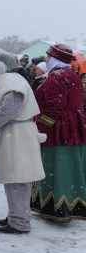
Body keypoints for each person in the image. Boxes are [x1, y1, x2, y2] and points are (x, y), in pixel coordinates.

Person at [0, 60, 46, 234]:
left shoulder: (10, 83)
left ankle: (20, 222)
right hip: (15, 135)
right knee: (13, 178)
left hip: (16, 136)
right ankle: (16, 215)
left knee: (17, 178)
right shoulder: (9, 81)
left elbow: (10, 109)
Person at [31, 44, 86, 221]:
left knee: (56, 166)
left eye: (48, 57)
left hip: (58, 129)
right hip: (74, 127)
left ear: (56, 59)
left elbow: (54, 108)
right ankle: (72, 203)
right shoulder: (73, 76)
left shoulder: (56, 77)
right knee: (71, 165)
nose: (46, 60)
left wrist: (41, 129)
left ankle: (57, 206)